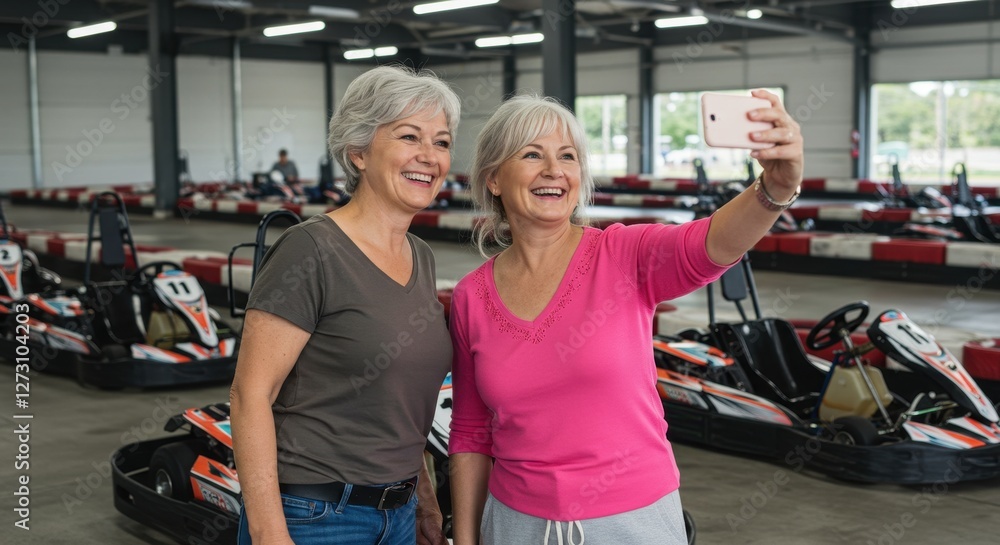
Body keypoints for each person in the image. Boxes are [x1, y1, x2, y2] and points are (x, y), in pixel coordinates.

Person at [448, 91, 803, 545]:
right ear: (494, 178)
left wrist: (772, 189)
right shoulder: (471, 297)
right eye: (532, 154)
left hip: (632, 520)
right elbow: (471, 432)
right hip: (516, 523)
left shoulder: (624, 255)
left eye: (568, 156)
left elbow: (712, 245)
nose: (554, 170)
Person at [230, 65, 460, 545]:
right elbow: (249, 397)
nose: (429, 156)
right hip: (314, 515)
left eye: (441, 142)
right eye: (409, 136)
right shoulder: (309, 250)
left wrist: (423, 499)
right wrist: (271, 533)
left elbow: (399, 403)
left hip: (397, 516)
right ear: (358, 152)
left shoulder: (421, 255)